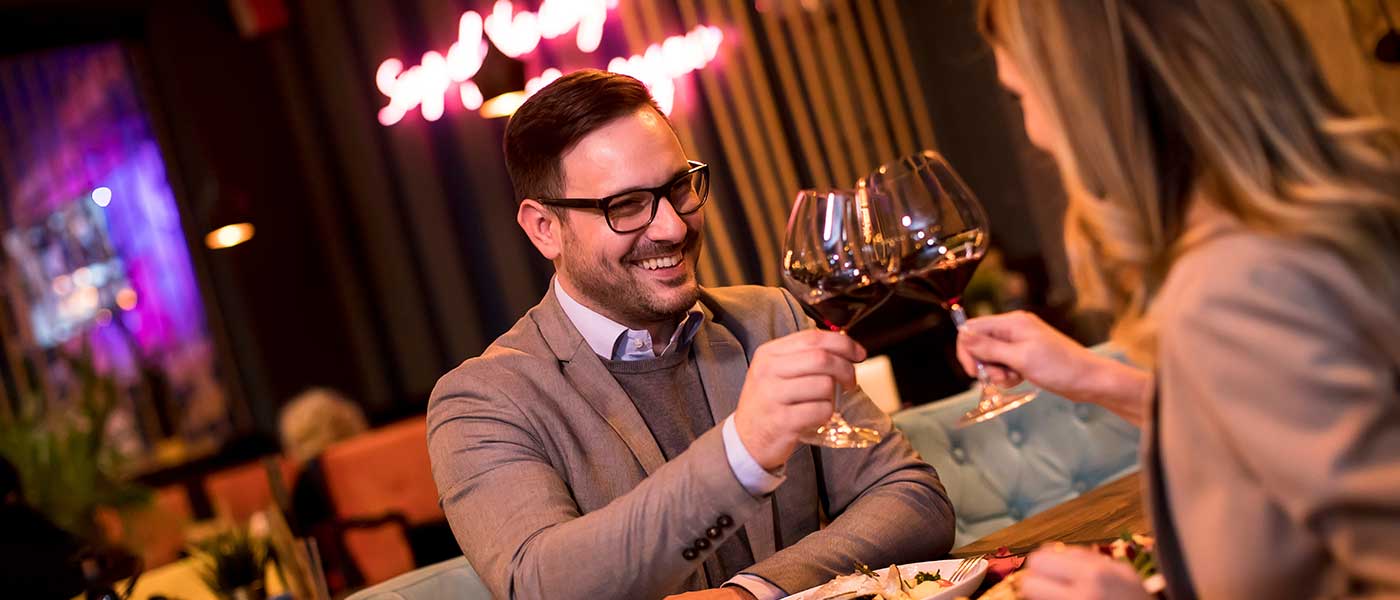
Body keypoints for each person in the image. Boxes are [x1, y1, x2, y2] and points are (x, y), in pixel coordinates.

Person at [426, 69, 955, 600]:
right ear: (544, 228)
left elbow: (914, 499)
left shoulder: (770, 320)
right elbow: (543, 586)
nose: (673, 227)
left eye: (679, 188)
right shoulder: (482, 401)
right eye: (626, 206)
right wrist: (741, 454)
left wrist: (752, 591)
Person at [965, 1, 1400, 598]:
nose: (1036, 135)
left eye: (1025, 98)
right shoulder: (1329, 220)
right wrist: (1095, 378)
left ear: (1094, 102)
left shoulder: (1236, 288)